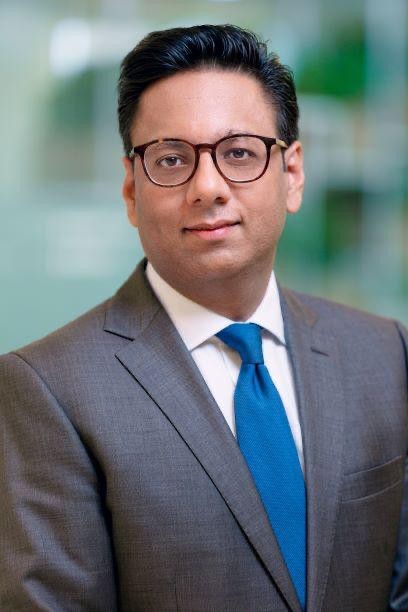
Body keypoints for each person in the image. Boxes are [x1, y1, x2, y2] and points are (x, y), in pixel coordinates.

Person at [0, 23, 407, 612]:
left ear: (292, 174)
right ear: (131, 191)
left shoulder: (385, 353)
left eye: (239, 153)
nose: (208, 187)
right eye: (171, 159)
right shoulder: (49, 390)